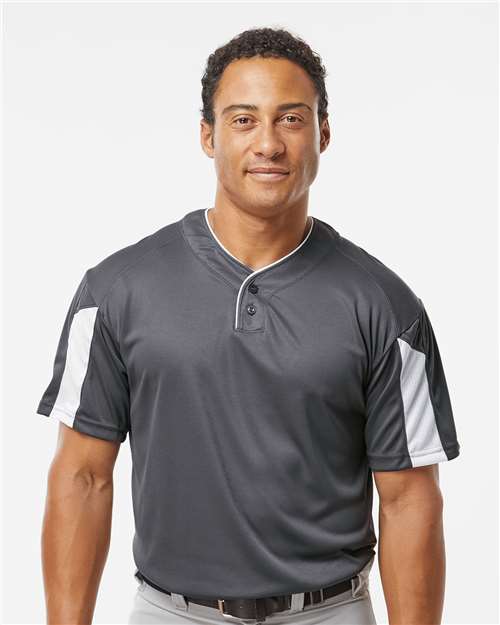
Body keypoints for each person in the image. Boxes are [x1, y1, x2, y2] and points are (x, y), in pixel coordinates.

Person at [36, 27, 461, 625]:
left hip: (331, 612)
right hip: (169, 613)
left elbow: (409, 499)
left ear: (323, 134)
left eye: (291, 119)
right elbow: (82, 477)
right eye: (243, 120)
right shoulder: (114, 292)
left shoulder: (386, 307)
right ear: (208, 136)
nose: (268, 143)